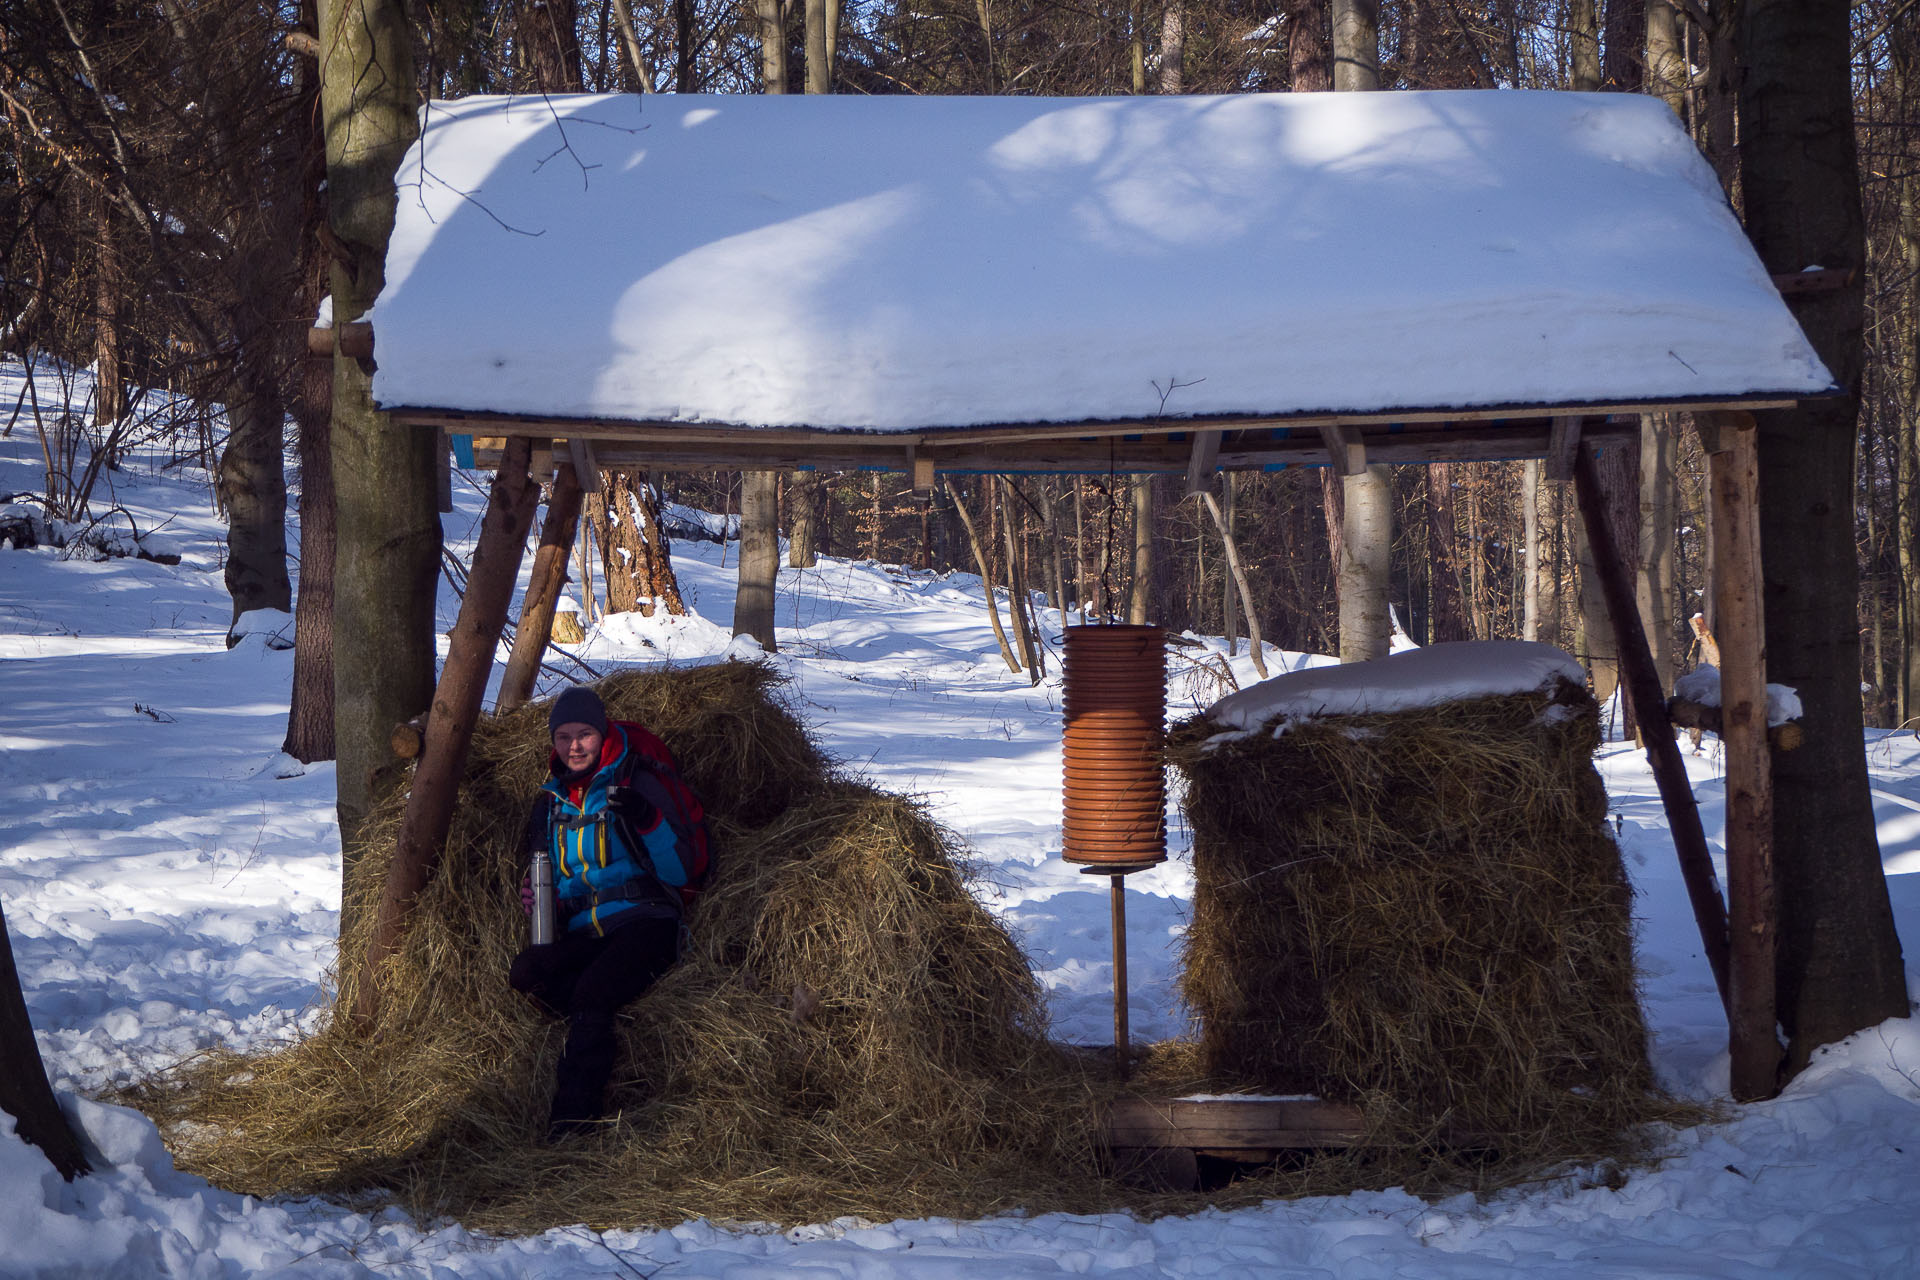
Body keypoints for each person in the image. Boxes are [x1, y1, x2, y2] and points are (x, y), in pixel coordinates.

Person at [509, 686, 707, 1140]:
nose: (574, 747)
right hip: (586, 931)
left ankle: (572, 1125)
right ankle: (599, 1018)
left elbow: (681, 872)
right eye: (563, 737)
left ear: (602, 734)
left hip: (646, 923)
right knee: (525, 974)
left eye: (584, 735)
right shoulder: (550, 802)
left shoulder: (636, 780)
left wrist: (647, 820)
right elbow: (554, 878)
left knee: (592, 994)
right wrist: (539, 898)